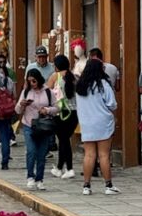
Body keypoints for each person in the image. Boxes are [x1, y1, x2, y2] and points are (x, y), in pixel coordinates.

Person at [75, 58, 120, 195]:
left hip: (86, 123)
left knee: (89, 155)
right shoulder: (103, 85)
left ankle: (86, 186)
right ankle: (108, 185)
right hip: (102, 122)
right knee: (104, 155)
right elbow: (112, 104)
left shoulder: (80, 86)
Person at [16, 68, 58, 191]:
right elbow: (17, 110)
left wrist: (47, 110)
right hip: (29, 125)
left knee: (41, 154)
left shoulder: (48, 92)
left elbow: (57, 108)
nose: (32, 84)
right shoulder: (26, 92)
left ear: (38, 79)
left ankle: (40, 179)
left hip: (43, 126)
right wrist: (22, 104)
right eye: (29, 81)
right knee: (31, 151)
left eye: (33, 81)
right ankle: (30, 176)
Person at [48, 54, 78, 179]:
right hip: (74, 113)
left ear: (57, 66)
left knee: (64, 140)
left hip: (61, 113)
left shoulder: (56, 76)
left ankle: (69, 168)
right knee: (64, 140)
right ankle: (60, 167)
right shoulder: (74, 78)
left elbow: (47, 91)